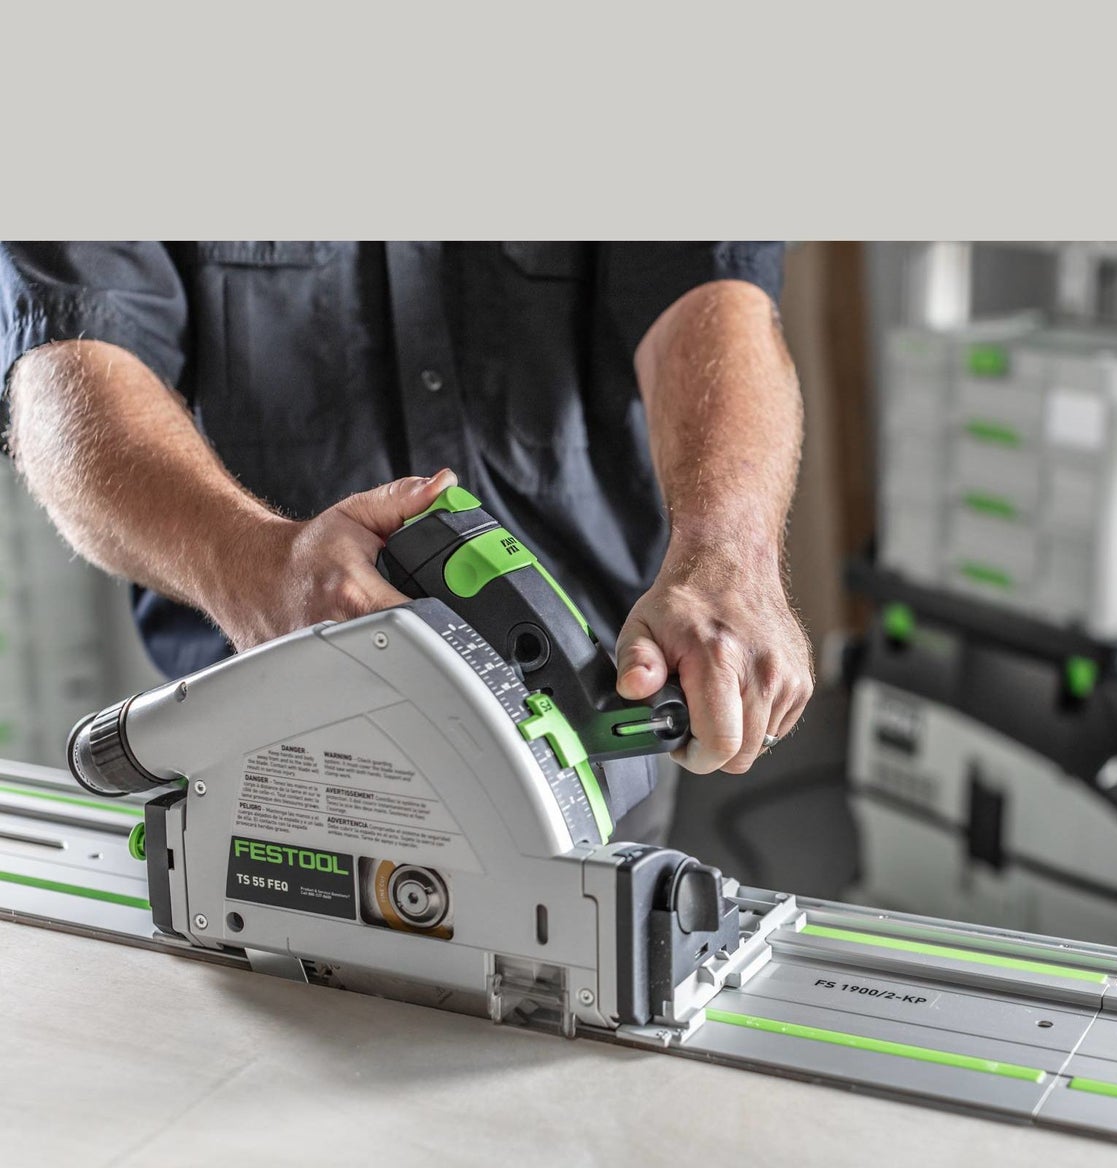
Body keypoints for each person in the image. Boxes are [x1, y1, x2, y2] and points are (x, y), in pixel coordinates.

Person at [0, 243, 813, 842]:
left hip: (593, 724)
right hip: (280, 749)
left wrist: (725, 554)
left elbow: (709, 297)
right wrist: (264, 570)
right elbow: (71, 366)